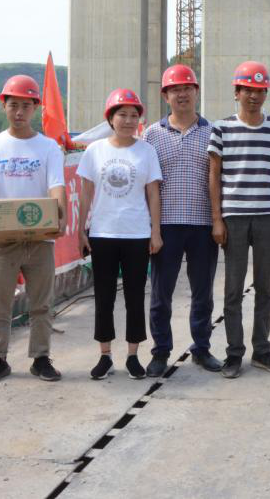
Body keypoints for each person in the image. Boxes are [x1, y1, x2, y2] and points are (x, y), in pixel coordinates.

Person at [0, 74, 67, 384]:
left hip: (39, 238)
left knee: (41, 301)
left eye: (26, 106)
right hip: (2, 238)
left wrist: (60, 214)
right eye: (13, 105)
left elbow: (56, 185)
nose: (19, 112)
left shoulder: (49, 147)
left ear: (35, 108)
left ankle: (40, 358)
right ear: (4, 106)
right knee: (0, 300)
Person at [208, 61, 270, 378]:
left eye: (260, 91)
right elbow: (214, 175)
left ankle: (262, 350)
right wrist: (217, 219)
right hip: (234, 218)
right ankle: (234, 353)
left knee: (265, 288)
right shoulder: (222, 128)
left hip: (268, 216)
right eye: (248, 90)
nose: (254, 96)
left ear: (266, 93)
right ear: (237, 92)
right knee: (233, 289)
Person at [76, 88, 162, 381]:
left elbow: (153, 193)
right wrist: (81, 230)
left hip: (137, 233)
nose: (128, 120)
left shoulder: (146, 151)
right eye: (122, 114)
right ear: (110, 119)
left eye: (133, 115)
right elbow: (86, 193)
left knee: (136, 297)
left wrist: (155, 231)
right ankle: (105, 355)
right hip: (103, 233)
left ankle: (133, 355)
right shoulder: (95, 151)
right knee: (104, 296)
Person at [143, 64, 222, 376]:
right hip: (166, 226)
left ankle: (201, 349)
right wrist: (152, 229)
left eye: (187, 88)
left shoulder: (213, 132)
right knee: (161, 294)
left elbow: (219, 179)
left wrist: (218, 220)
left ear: (196, 92)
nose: (182, 94)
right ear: (165, 96)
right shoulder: (152, 134)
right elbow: (147, 185)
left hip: (203, 224)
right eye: (175, 89)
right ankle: (160, 352)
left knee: (203, 293)